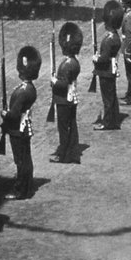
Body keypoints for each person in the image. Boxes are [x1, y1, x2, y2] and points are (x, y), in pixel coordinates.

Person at [1, 45, 40, 200]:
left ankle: (22, 189)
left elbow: (14, 115)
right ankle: (27, 186)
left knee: (21, 160)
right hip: (24, 127)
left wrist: (5, 114)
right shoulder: (29, 88)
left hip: (18, 128)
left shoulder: (23, 91)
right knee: (25, 158)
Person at [51, 22, 83, 164]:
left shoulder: (67, 64)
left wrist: (54, 81)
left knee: (64, 128)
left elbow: (62, 83)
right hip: (71, 97)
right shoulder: (74, 62)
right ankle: (71, 150)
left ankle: (64, 154)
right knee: (71, 125)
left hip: (64, 99)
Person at [94, 2, 122, 131]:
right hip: (111, 69)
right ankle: (114, 118)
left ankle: (108, 122)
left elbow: (103, 58)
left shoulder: (108, 39)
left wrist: (96, 58)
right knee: (112, 96)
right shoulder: (115, 36)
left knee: (107, 98)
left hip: (105, 71)